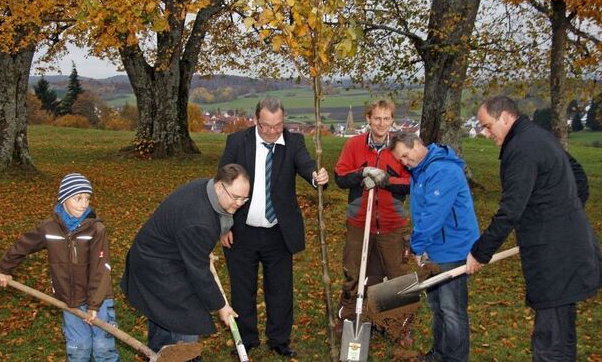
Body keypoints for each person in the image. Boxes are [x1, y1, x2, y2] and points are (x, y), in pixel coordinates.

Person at [466, 95, 602, 361]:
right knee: (559, 338)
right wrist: (564, 216)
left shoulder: (521, 148)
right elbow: (578, 176)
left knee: (550, 343)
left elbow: (510, 211)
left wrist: (480, 253)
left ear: (505, 117)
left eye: (487, 126)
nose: (484, 133)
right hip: (565, 248)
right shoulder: (538, 136)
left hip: (556, 259)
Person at [218, 97, 329, 357]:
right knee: (242, 289)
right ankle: (245, 340)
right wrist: (224, 225)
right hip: (241, 231)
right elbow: (221, 186)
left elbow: (307, 166)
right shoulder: (237, 142)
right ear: (256, 120)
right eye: (266, 125)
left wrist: (317, 177)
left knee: (280, 290)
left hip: (278, 233)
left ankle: (279, 340)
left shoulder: (294, 142)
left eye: (277, 125)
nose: (271, 131)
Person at [119, 164, 248, 356]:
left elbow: (195, 246)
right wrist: (221, 306)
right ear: (220, 186)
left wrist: (200, 249)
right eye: (235, 197)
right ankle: (177, 355)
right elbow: (199, 271)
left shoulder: (208, 188)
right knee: (187, 319)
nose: (239, 203)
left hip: (168, 255)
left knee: (166, 317)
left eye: (244, 198)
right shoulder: (198, 220)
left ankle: (160, 354)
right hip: (155, 265)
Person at [0, 173, 120, 362]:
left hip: (99, 299)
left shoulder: (96, 230)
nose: (84, 203)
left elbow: (101, 269)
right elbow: (23, 245)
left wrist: (94, 305)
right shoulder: (49, 228)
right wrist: (4, 269)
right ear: (63, 200)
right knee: (78, 348)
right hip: (70, 299)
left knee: (104, 348)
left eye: (87, 198)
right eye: (78, 198)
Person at [333, 99, 417, 347]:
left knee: (396, 276)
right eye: (377, 118)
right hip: (360, 222)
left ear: (392, 120)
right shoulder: (354, 145)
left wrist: (385, 182)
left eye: (386, 118)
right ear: (368, 119)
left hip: (392, 224)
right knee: (353, 272)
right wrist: (362, 173)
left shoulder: (400, 147)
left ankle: (400, 326)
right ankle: (347, 319)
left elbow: (411, 182)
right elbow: (340, 177)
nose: (381, 123)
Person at [390, 131, 480, 362]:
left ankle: (456, 358)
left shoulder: (443, 170)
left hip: (453, 248)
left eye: (406, 155)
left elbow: (433, 215)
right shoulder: (420, 171)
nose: (404, 162)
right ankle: (439, 355)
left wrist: (417, 246)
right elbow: (422, 213)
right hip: (435, 248)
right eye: (400, 159)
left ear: (418, 144)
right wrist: (422, 247)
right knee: (438, 307)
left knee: (451, 310)